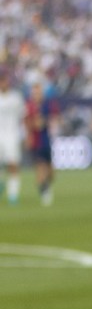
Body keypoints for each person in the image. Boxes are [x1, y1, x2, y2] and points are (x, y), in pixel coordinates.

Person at [25, 79, 58, 206]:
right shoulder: (29, 106)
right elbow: (27, 123)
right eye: (35, 92)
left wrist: (47, 122)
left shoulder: (48, 105)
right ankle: (44, 193)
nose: (37, 94)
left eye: (39, 92)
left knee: (51, 172)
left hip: (47, 140)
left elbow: (54, 119)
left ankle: (46, 186)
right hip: (36, 141)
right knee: (40, 168)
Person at [0, 66, 24, 205]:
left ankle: (13, 195)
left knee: (13, 164)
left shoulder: (16, 98)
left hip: (12, 135)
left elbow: (23, 117)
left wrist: (25, 135)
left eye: (4, 80)